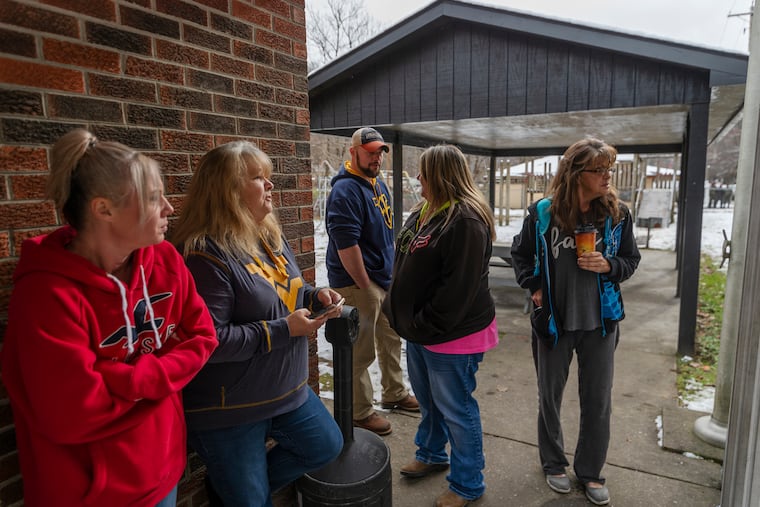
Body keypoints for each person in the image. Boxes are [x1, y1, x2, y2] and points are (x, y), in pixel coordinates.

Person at [0, 129, 218, 506]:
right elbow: (72, 414)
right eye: (153, 198)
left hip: (162, 468)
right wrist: (166, 372)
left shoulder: (165, 259)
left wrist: (128, 378)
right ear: (104, 209)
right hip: (90, 494)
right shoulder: (45, 295)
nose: (169, 208)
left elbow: (203, 336)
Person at [171, 141, 344, 507]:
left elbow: (285, 290)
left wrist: (316, 296)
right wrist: (284, 330)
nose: (270, 185)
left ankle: (232, 492)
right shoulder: (203, 255)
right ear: (229, 190)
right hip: (230, 410)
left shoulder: (268, 236)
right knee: (251, 502)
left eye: (268, 177)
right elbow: (209, 341)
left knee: (326, 444)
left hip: (286, 392)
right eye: (258, 178)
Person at [510, 137, 641, 506]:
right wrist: (534, 287)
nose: (607, 176)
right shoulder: (543, 213)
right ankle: (553, 463)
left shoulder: (618, 215)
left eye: (609, 169)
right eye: (600, 170)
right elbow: (520, 255)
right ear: (575, 173)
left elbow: (631, 260)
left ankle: (590, 471)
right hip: (554, 322)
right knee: (549, 397)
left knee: (598, 400)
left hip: (601, 323)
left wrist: (609, 265)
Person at [383, 144, 498, 507]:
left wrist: (422, 322)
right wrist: (397, 311)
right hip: (421, 331)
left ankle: (467, 484)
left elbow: (456, 289)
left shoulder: (465, 220)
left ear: (442, 175)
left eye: (424, 171)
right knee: (430, 402)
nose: (418, 177)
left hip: (452, 334)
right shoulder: (425, 212)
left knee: (457, 409)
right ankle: (431, 453)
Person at [325, 127, 418, 436]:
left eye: (379, 152)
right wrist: (365, 286)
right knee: (360, 352)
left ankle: (394, 392)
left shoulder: (375, 183)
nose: (376, 157)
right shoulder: (345, 190)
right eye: (370, 152)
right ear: (353, 152)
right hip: (356, 284)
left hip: (381, 279)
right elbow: (346, 245)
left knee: (391, 338)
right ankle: (360, 412)